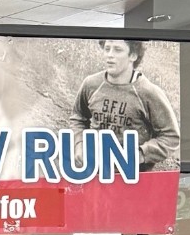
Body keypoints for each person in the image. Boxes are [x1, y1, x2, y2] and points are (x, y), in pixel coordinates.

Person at [68, 39, 180, 172]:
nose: (110, 54)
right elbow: (78, 118)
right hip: (95, 172)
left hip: (134, 177)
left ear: (133, 55)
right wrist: (79, 144)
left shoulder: (148, 92)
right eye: (107, 48)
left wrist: (140, 154)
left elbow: (171, 137)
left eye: (117, 50)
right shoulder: (91, 84)